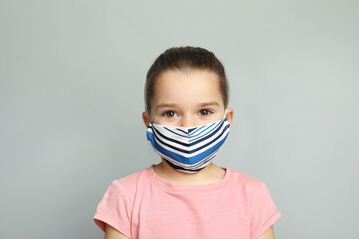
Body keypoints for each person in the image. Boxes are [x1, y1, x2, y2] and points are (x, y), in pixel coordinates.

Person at [93, 46, 281, 239]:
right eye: (170, 113)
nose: (187, 127)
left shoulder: (252, 195)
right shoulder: (127, 195)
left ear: (227, 118)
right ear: (148, 122)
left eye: (204, 112)